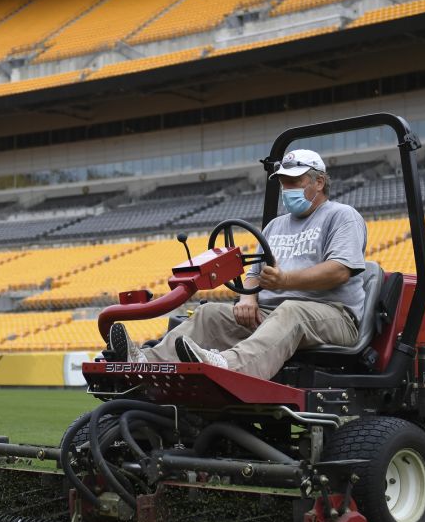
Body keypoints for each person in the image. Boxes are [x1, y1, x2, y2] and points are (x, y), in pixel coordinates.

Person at [108, 149, 367, 380]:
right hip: (271, 314)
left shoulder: (341, 216)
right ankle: (145, 363)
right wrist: (248, 300)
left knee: (291, 311)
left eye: (294, 182)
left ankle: (227, 367)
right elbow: (255, 273)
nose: (287, 189)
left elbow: (340, 270)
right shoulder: (276, 225)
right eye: (283, 183)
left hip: (333, 315)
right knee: (209, 314)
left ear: (319, 182)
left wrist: (285, 281)